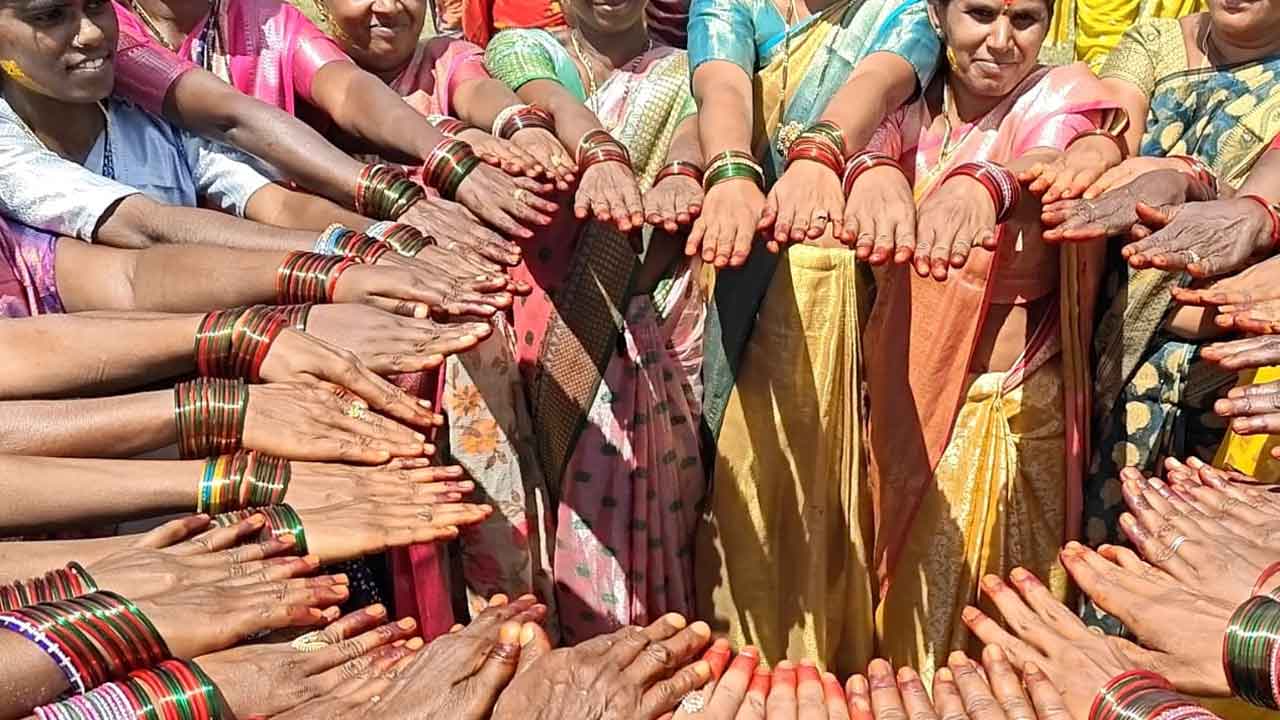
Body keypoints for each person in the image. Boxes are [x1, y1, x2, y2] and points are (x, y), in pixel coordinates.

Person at [850, 0, 1122, 680]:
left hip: (1017, 408)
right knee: (904, 627)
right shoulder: (910, 99)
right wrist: (872, 171)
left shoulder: (1061, 94)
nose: (1001, 40)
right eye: (979, 14)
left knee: (1006, 633)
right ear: (938, 13)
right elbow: (862, 144)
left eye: (1024, 19)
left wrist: (984, 184)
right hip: (905, 402)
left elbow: (1048, 156)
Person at [686, 0, 940, 672]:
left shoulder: (902, 10)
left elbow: (879, 81)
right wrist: (733, 172)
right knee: (743, 474)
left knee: (835, 484)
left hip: (847, 289)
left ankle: (830, 667)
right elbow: (722, 82)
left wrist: (819, 153)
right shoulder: (732, 5)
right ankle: (742, 668)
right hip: (746, 255)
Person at [473, 0, 706, 644]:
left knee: (651, 516)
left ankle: (642, 655)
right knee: (547, 510)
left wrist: (682, 170)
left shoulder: (686, 70)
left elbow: (696, 128)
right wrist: (601, 152)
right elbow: (545, 99)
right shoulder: (523, 51)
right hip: (538, 327)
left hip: (653, 319)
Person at [1054, 0, 1280, 628]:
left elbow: (1257, 209)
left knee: (1207, 589)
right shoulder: (1155, 45)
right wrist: (1117, 161)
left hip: (1239, 382)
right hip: (1110, 360)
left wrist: (1200, 183)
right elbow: (1110, 139)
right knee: (1098, 569)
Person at [115, 0, 557, 240]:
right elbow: (233, 117)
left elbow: (346, 88)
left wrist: (445, 154)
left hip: (292, 236)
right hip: (153, 261)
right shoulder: (104, 26)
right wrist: (401, 199)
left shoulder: (266, 18)